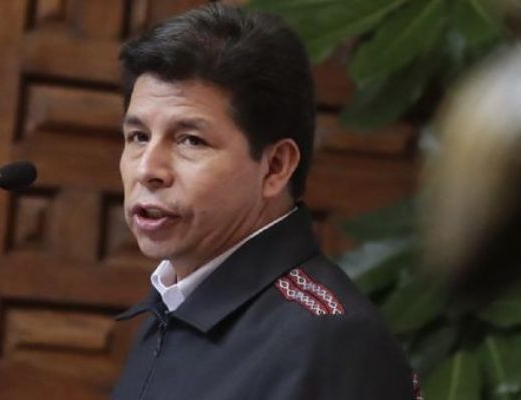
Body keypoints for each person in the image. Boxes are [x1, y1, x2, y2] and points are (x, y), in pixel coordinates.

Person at [113, 4, 420, 399]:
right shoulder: (173, 300)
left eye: (191, 140)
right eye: (138, 137)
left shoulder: (327, 341)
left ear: (275, 167)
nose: (147, 169)